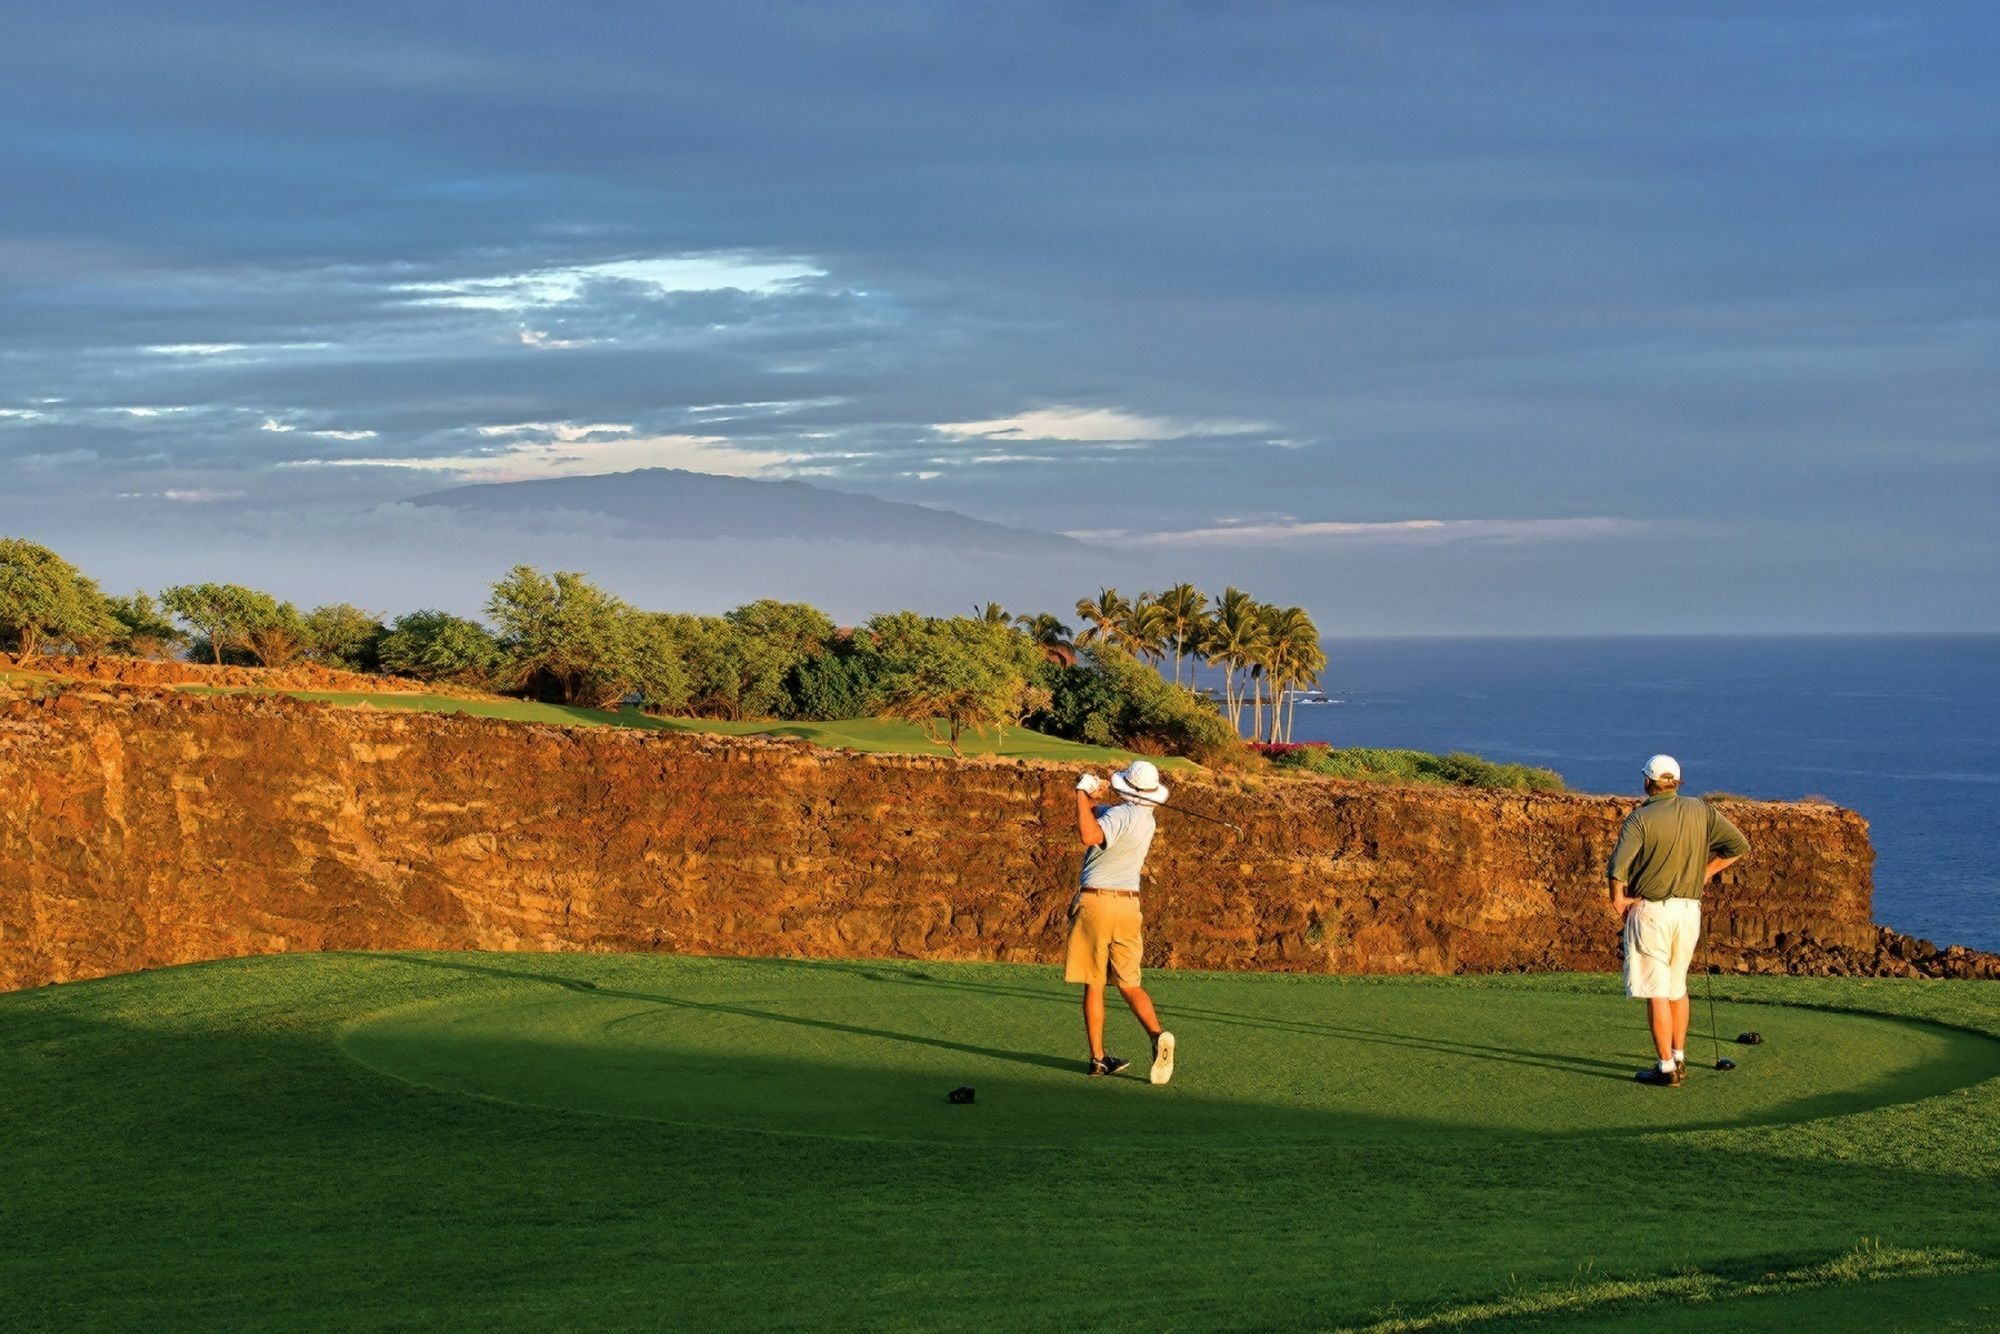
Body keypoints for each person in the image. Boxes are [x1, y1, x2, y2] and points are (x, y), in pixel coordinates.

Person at [1608, 754, 1750, 1087]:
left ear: (1647, 782)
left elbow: (1618, 868)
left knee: (1657, 992)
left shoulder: (1639, 819)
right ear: (1677, 783)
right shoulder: (1701, 809)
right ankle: (1680, 1057)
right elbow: (1738, 846)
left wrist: (1618, 900)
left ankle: (1666, 1068)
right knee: (1677, 988)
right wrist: (1706, 872)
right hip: (1688, 913)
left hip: (1652, 911)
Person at [1066, 760, 1176, 1083]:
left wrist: (1079, 790)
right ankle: (1157, 1037)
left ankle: (1098, 1059)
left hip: (1097, 904)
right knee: (1129, 983)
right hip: (1129, 907)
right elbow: (1098, 813)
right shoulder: (1145, 820)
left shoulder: (1119, 815)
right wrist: (1089, 795)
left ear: (1127, 786)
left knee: (1094, 982)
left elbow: (1089, 833)